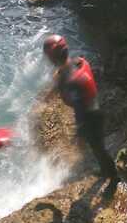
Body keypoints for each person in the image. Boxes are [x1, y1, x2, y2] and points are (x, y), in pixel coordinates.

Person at [42, 35, 119, 184]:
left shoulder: (71, 82)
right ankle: (106, 170)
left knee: (97, 148)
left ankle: (113, 176)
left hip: (91, 117)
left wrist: (79, 132)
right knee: (98, 146)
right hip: (95, 107)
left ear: (52, 58)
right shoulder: (79, 62)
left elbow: (80, 109)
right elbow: (64, 76)